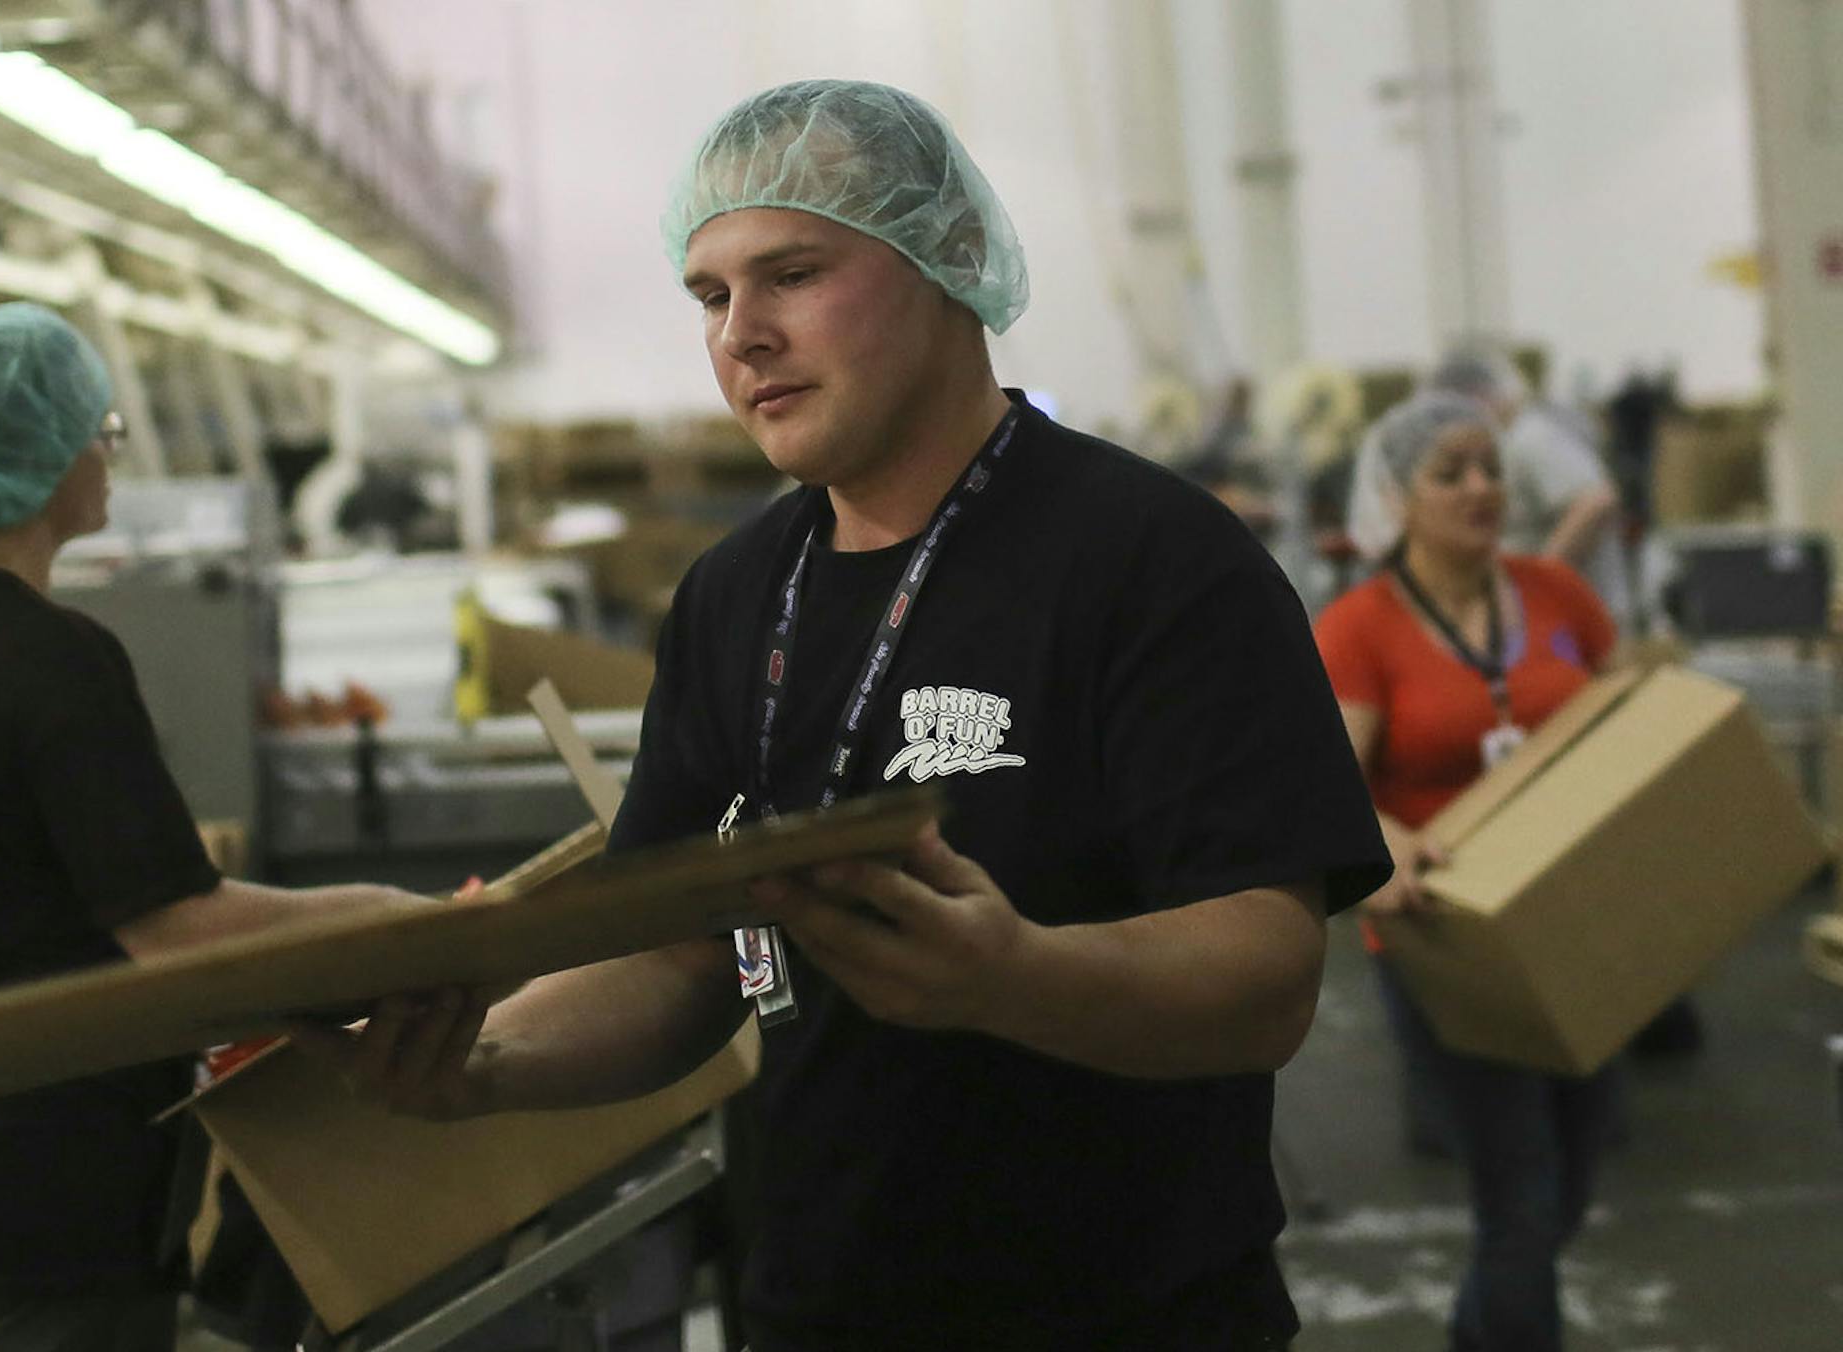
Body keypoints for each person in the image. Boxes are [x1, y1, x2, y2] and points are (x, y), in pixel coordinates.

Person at [303, 80, 1390, 1350]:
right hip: (819, 1305)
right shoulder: (732, 595)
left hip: (1127, 1310)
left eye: (794, 273)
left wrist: (1015, 975)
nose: (741, 335)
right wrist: (482, 1061)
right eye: (710, 296)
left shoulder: (1153, 559)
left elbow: (1266, 973)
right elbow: (681, 957)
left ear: (951, 260)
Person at [0, 302, 420, 1352]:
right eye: (100, 430)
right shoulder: (50, 658)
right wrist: (389, 923)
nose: (109, 455)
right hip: (48, 1195)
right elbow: (177, 929)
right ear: (36, 459)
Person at [1314, 390, 1624, 1352]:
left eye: (1490, 467)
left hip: (1576, 925)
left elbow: (1632, 718)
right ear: (1398, 496)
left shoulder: (1554, 594)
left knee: (1570, 1181)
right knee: (1520, 1201)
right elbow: (1328, 786)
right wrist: (1388, 841)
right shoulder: (1361, 628)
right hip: (1448, 936)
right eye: (1451, 473)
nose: (1482, 487)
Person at [1349, 345, 1633, 625]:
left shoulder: (1530, 438)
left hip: (1569, 614)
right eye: (1450, 476)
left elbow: (1597, 500)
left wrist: (1541, 580)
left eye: (1493, 472)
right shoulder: (1369, 616)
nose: (1480, 489)